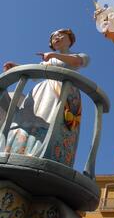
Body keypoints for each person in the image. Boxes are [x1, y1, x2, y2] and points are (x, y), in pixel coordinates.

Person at [1, 29, 89, 168]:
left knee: (55, 120)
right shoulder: (49, 60)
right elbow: (35, 73)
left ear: (70, 39)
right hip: (44, 90)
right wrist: (16, 67)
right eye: (54, 37)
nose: (57, 37)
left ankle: (51, 152)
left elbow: (77, 61)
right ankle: (27, 148)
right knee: (31, 117)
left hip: (64, 92)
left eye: (61, 35)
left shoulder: (77, 56)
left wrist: (53, 56)